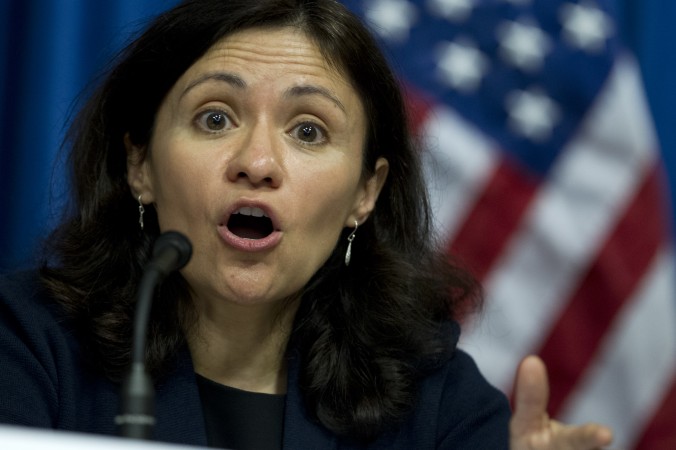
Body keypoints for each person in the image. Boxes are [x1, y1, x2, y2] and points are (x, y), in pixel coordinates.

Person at [0, 0, 613, 448]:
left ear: (364, 195)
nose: (258, 163)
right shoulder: (28, 346)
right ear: (141, 167)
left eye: (309, 131)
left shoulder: (437, 402)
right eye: (215, 119)